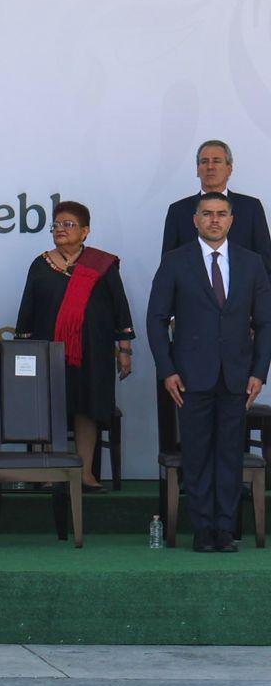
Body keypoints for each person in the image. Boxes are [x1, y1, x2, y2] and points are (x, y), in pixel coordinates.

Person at [148, 192, 271, 552]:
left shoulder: (251, 263)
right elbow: (156, 319)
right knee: (198, 454)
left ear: (231, 220)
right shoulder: (175, 261)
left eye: (221, 214)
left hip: (237, 376)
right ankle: (203, 530)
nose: (214, 220)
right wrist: (167, 370)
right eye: (207, 214)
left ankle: (226, 530)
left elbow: (265, 322)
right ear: (195, 220)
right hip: (189, 377)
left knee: (230, 455)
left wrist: (259, 372)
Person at [13, 201, 135, 490]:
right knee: (49, 407)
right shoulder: (41, 264)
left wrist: (124, 350)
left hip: (93, 352)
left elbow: (120, 309)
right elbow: (27, 310)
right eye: (56, 225)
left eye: (68, 224)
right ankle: (50, 472)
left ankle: (85, 473)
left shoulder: (102, 265)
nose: (60, 229)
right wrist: (24, 349)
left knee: (87, 408)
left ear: (85, 231)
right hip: (48, 351)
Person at [161, 140, 271, 270]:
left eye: (216, 161)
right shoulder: (178, 210)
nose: (210, 167)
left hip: (243, 283)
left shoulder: (251, 208)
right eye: (204, 161)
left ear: (229, 169)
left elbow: (266, 262)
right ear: (197, 170)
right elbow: (168, 265)